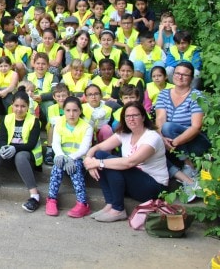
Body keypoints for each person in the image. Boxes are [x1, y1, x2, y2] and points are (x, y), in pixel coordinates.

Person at [84, 102, 169, 222]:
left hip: (153, 186)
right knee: (100, 155)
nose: (131, 119)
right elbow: (97, 148)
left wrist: (98, 163)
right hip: (133, 183)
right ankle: (110, 203)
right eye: (127, 116)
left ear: (143, 117)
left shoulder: (152, 137)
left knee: (109, 162)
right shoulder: (124, 134)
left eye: (135, 115)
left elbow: (130, 162)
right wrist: (88, 160)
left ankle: (118, 209)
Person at [0, 92, 43, 212]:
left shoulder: (34, 121)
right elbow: (2, 140)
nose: (19, 109)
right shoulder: (7, 118)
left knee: (20, 156)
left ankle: (34, 196)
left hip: (27, 157)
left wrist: (14, 148)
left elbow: (31, 144)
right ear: (12, 105)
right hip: (10, 154)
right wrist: (3, 148)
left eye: (23, 106)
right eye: (16, 106)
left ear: (28, 107)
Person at [155, 61, 206, 201]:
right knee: (153, 148)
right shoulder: (164, 94)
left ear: (191, 78)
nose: (180, 77)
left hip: (195, 142)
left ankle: (189, 165)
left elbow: (196, 127)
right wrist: (162, 138)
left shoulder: (197, 96)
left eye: (185, 74)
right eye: (177, 73)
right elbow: (160, 119)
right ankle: (188, 181)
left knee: (168, 127)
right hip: (170, 141)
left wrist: (174, 142)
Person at [46, 96, 92, 218]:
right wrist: (61, 155)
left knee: (76, 167)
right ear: (64, 111)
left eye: (75, 110)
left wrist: (70, 158)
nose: (71, 114)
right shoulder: (59, 123)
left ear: (80, 111)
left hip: (79, 160)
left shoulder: (87, 126)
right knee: (57, 165)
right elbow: (55, 143)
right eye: (68, 110)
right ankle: (51, 199)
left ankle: (83, 203)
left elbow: (84, 149)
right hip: (63, 157)